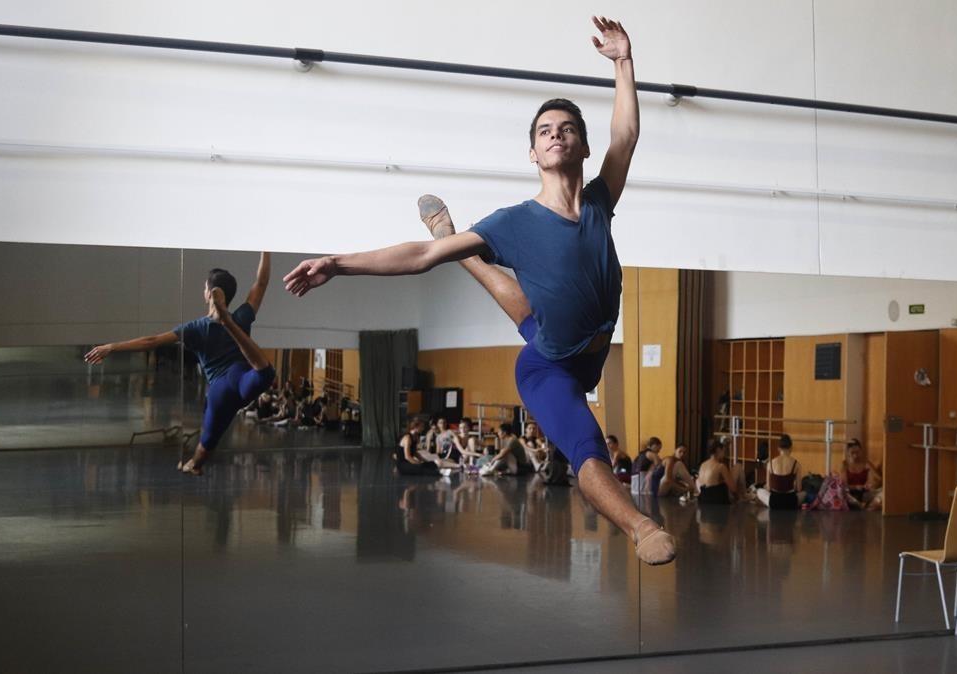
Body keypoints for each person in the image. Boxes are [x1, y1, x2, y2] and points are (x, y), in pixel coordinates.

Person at [282, 17, 673, 565]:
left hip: (570, 339)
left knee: (526, 311)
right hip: (550, 370)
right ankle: (639, 527)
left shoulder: (601, 201)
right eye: (544, 132)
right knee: (588, 449)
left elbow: (626, 135)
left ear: (582, 146)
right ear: (533, 155)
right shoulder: (513, 222)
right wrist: (338, 263)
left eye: (566, 128)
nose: (555, 134)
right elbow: (419, 258)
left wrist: (623, 63)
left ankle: (459, 244)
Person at [86, 253, 276, 474]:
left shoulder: (195, 328)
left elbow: (152, 341)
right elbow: (261, 282)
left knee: (207, 442)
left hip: (220, 392)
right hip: (244, 378)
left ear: (208, 295)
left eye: (205, 288)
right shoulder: (243, 315)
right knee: (266, 374)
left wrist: (111, 347)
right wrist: (266, 249)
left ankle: (194, 464)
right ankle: (228, 324)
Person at [757, 434, 801, 509]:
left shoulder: (770, 463)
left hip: (774, 502)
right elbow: (799, 488)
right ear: (791, 448)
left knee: (759, 491)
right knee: (805, 493)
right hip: (791, 502)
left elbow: (768, 487)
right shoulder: (796, 464)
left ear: (778, 448)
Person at [841, 439, 882, 510]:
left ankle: (867, 505)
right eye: (852, 452)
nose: (855, 455)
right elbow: (844, 485)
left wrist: (869, 483)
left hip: (864, 494)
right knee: (843, 493)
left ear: (861, 451)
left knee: (883, 491)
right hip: (850, 494)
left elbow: (879, 478)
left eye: (857, 452)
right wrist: (856, 487)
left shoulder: (866, 463)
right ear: (848, 453)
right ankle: (862, 505)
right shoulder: (845, 465)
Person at [696, 438, 740, 504]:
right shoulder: (720, 466)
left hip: (703, 499)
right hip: (717, 499)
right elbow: (733, 488)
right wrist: (738, 498)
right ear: (718, 450)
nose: (724, 454)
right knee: (738, 467)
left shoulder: (703, 465)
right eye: (723, 451)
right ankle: (745, 495)